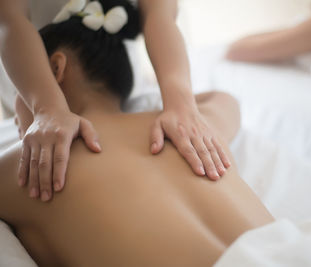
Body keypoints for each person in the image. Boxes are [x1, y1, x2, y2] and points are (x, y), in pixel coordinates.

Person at [0, 2, 274, 265]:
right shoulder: (195, 132)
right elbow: (224, 99)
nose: (16, 113)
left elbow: (7, 18)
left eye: (18, 92)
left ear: (56, 68)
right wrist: (181, 105)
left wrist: (46, 107)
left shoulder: (29, 167)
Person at [0, 0, 230, 203]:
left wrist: (182, 106)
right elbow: (8, 19)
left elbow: (160, 15)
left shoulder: (18, 172)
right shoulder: (160, 129)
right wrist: (47, 108)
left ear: (56, 68)